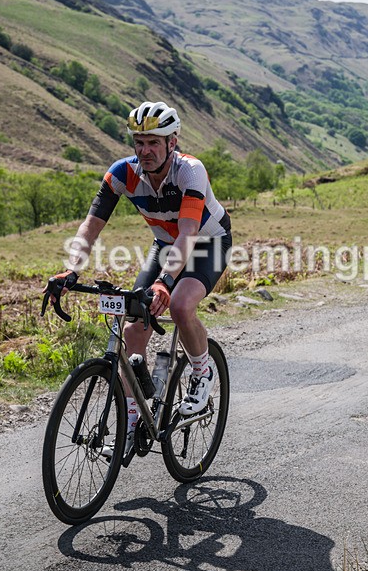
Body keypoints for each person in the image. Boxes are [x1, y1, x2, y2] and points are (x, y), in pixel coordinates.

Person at [45, 101, 233, 448]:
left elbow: (189, 232)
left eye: (153, 143)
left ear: (171, 143)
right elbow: (91, 226)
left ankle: (202, 372)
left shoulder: (190, 171)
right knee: (133, 324)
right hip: (164, 243)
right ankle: (132, 417)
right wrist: (72, 269)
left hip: (208, 241)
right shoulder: (122, 173)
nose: (145, 150)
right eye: (139, 142)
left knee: (179, 305)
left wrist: (165, 282)